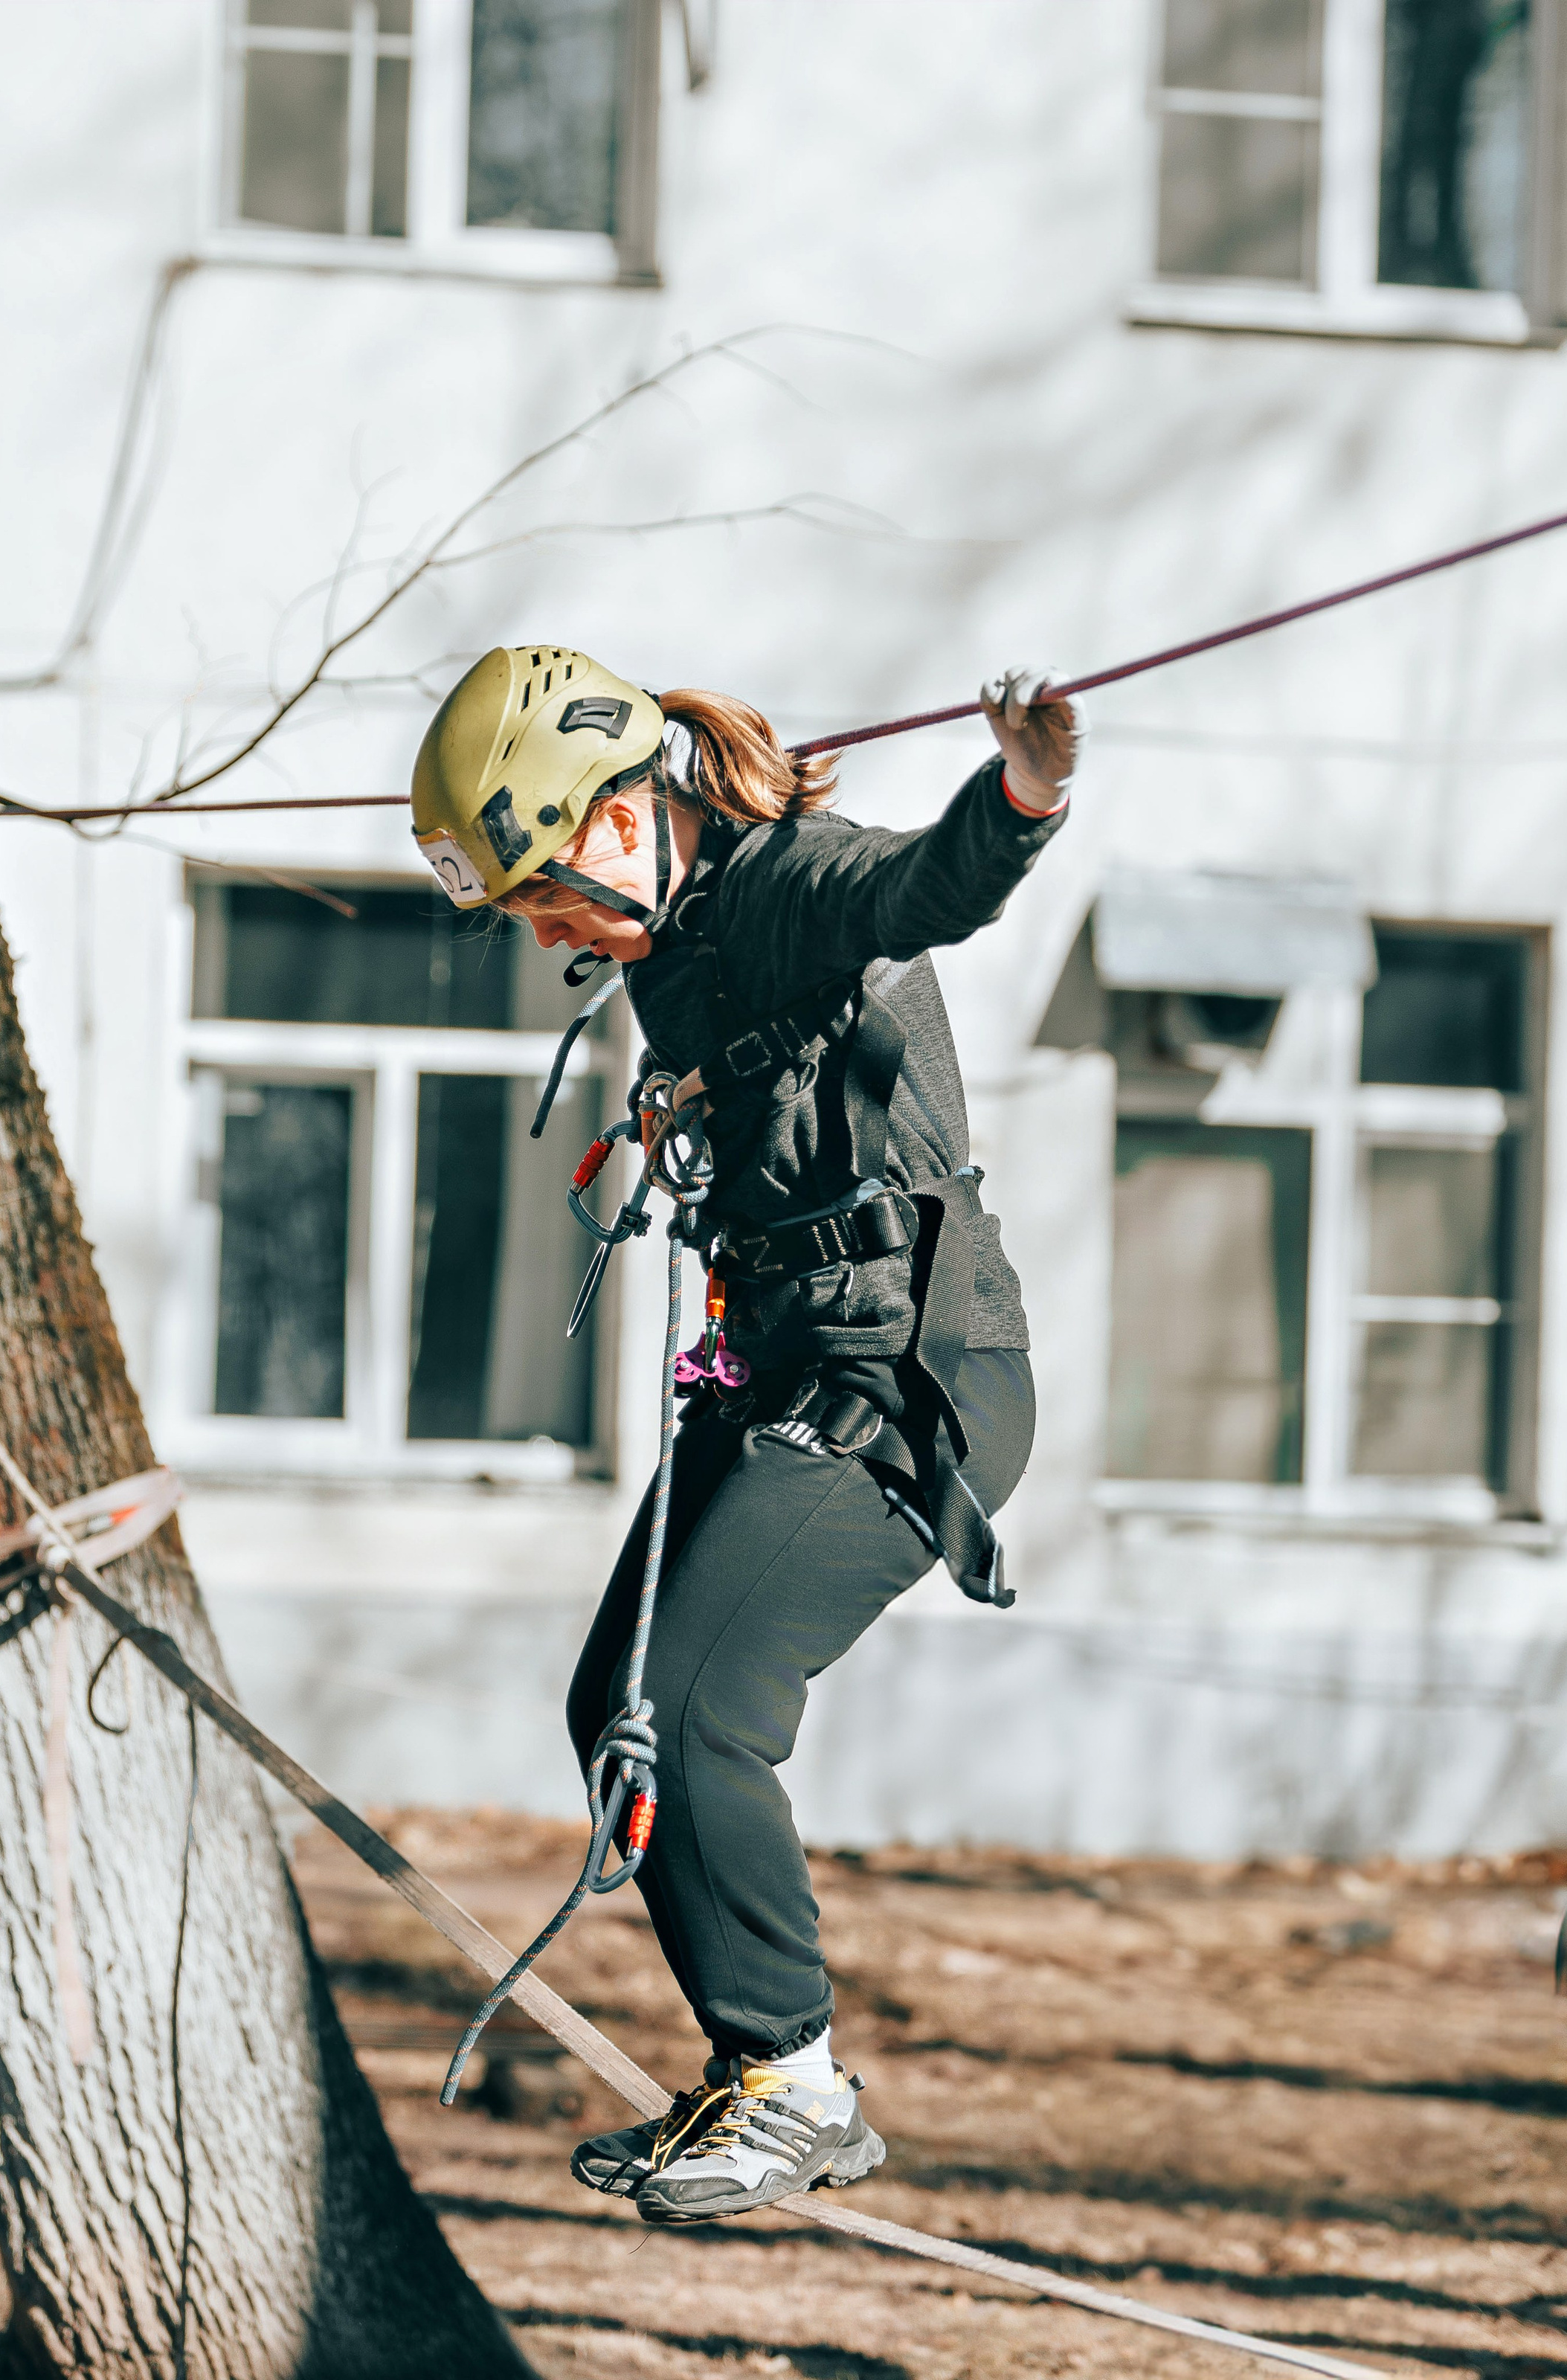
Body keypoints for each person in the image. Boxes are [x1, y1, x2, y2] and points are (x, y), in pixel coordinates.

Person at [409, 645, 1082, 2224]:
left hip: (907, 1379)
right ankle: (751, 2062)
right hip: (784, 1363)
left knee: (692, 1705)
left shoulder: (787, 882)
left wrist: (1024, 795)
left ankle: (795, 2086)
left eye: (546, 894)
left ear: (624, 819)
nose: (546, 932)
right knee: (615, 1709)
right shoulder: (675, 937)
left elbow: (923, 890)